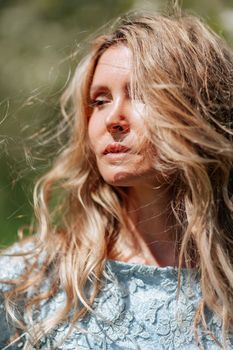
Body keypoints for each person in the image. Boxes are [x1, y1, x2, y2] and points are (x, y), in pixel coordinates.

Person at [0, 7, 233, 350]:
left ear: (200, 110)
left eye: (140, 93)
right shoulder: (31, 281)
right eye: (100, 100)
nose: (113, 118)